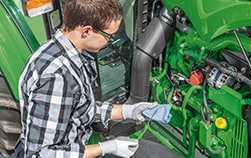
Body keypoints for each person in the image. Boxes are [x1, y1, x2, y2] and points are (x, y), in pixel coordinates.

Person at [12, 0, 160, 157]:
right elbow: (43, 154)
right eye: (109, 37)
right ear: (86, 31)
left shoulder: (71, 55)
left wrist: (128, 111)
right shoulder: (56, 78)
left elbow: (79, 108)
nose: (111, 41)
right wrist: (107, 148)